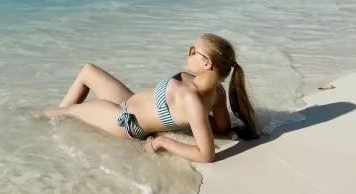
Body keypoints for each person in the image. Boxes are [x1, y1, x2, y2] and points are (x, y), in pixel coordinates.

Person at [43, 33, 260, 163]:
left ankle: (36, 124)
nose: (188, 52)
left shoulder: (191, 99)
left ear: (207, 64)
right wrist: (194, 123)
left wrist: (162, 141)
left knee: (64, 111)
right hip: (128, 101)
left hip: (123, 120)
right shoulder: (218, 93)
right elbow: (222, 127)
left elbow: (206, 155)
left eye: (193, 51)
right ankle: (55, 132)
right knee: (88, 71)